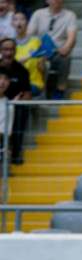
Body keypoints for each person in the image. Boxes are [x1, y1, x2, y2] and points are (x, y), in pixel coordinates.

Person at [27, 0, 76, 100]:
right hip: (40, 50)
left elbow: (71, 36)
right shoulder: (38, 14)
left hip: (57, 51)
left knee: (65, 58)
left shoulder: (70, 15)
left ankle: (60, 90)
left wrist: (65, 48)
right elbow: (29, 34)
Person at [0, 37, 30, 165]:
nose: (9, 53)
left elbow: (28, 95)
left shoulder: (21, 71)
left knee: (20, 111)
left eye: (12, 49)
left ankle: (16, 152)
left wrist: (15, 103)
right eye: (6, 49)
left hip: (12, 105)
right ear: (0, 51)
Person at [13, 11, 45, 99]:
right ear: (12, 23)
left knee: (19, 91)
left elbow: (41, 69)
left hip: (33, 83)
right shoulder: (9, 44)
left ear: (27, 22)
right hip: (14, 82)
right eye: (16, 19)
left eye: (22, 19)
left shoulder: (36, 42)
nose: (19, 22)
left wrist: (43, 60)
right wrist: (17, 63)